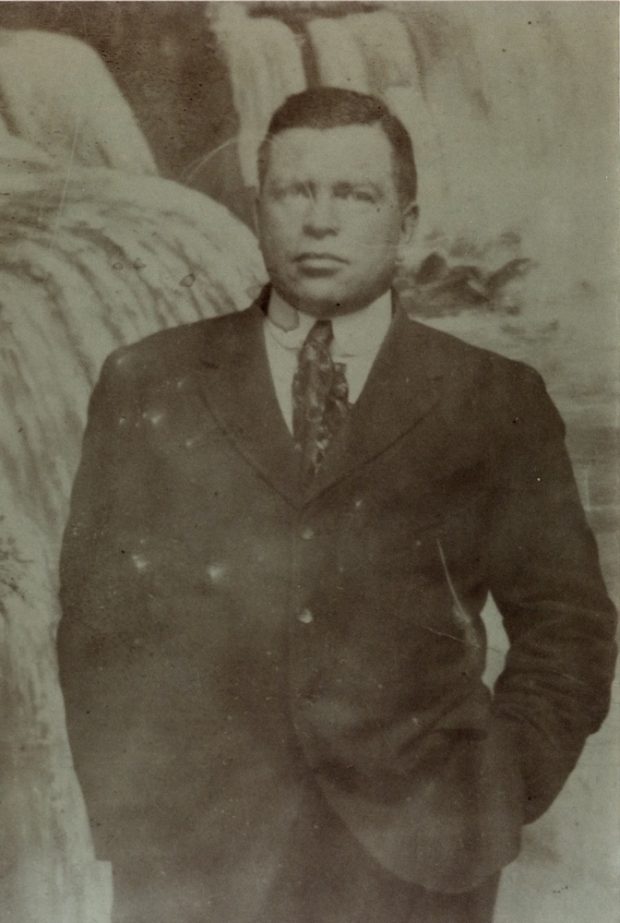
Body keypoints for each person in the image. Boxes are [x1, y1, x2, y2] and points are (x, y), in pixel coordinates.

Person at [57, 88, 617, 923]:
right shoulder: (150, 380)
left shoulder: (493, 398)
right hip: (198, 861)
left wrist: (496, 786)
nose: (320, 222)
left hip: (422, 854)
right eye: (295, 192)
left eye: (354, 195)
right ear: (257, 208)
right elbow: (99, 623)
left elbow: (568, 626)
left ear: (409, 219)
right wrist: (139, 820)